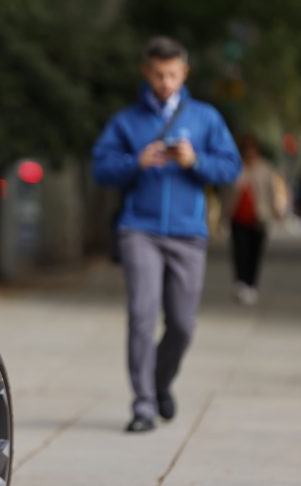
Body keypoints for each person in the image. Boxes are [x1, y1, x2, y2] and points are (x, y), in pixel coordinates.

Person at [92, 36, 241, 433]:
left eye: (172, 74)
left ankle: (159, 383)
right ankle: (143, 405)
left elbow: (230, 167)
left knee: (183, 324)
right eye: (158, 74)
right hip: (138, 230)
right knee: (142, 317)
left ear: (184, 73)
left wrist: (196, 161)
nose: (165, 82)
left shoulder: (206, 118)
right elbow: (101, 168)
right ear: (146, 72)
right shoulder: (126, 121)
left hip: (189, 233)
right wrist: (135, 162)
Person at [222, 134, 287, 305]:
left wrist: (276, 210)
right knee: (240, 252)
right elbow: (226, 191)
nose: (249, 152)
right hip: (238, 217)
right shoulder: (235, 167)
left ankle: (251, 284)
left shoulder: (265, 169)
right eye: (247, 148)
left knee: (254, 253)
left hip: (259, 218)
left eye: (252, 148)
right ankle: (241, 283)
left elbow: (272, 191)